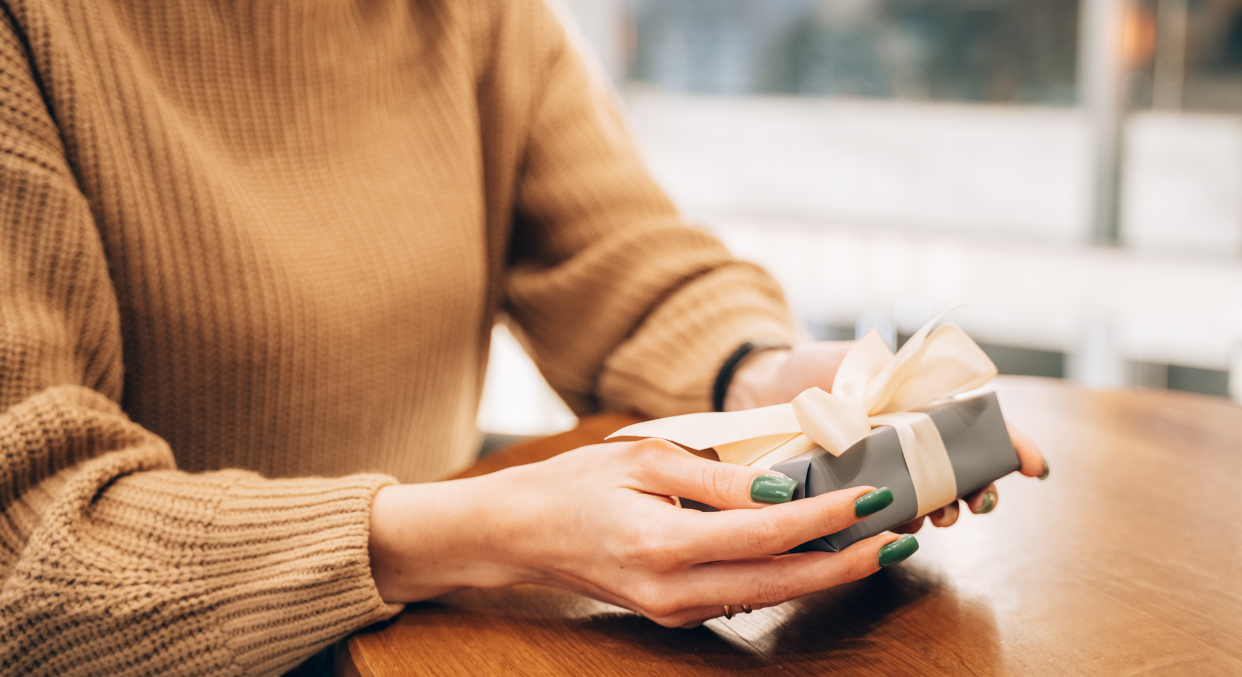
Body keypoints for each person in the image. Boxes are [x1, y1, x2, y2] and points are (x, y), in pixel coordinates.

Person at [0, 0, 1046, 674]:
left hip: (419, 630)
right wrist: (473, 531)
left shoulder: (474, 16)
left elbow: (624, 261)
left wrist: (770, 375)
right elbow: (30, 548)